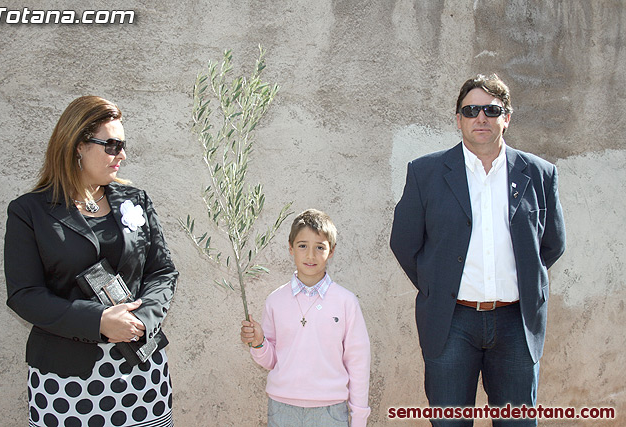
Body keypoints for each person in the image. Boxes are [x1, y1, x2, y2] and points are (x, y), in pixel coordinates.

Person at [390, 74, 566, 426]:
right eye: (471, 110)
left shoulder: (539, 174)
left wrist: (518, 280)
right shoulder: (426, 172)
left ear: (507, 118)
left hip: (516, 322)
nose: (481, 118)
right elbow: (404, 243)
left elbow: (551, 244)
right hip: (452, 322)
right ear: (458, 120)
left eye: (491, 109)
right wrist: (438, 285)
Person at [4, 96, 178, 427]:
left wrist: (142, 319)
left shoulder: (135, 200)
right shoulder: (29, 212)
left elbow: (162, 272)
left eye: (123, 145)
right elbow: (24, 294)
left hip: (141, 372)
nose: (122, 155)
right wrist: (96, 320)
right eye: (112, 145)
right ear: (78, 145)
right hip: (66, 383)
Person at [240, 209, 371, 427]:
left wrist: (359, 418)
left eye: (319, 247)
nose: (310, 255)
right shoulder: (275, 300)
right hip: (282, 409)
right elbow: (270, 360)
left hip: (330, 411)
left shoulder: (346, 302)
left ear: (331, 251)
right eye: (302, 246)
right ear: (290, 247)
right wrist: (259, 342)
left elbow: (358, 362)